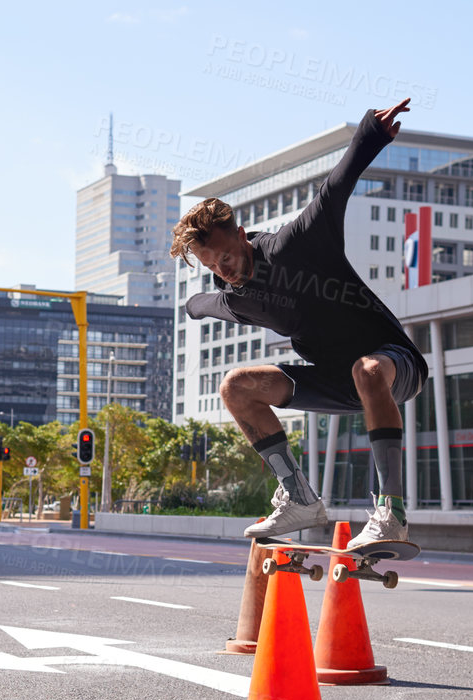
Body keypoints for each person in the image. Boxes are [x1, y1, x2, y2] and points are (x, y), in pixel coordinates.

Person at [171, 100, 425, 549]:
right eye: (212, 266)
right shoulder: (237, 299)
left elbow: (334, 188)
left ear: (241, 233)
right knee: (235, 386)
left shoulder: (297, 244)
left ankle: (392, 513)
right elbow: (207, 303)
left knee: (365, 370)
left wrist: (371, 132)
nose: (224, 270)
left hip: (393, 365)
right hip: (332, 380)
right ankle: (301, 499)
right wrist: (191, 304)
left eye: (226, 256)